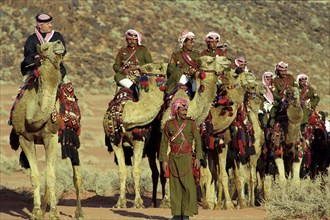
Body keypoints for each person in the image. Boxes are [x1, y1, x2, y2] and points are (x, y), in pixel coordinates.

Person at [159, 98, 203, 220]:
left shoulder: (191, 124)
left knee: (189, 186)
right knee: (175, 186)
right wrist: (163, 160)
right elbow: (163, 143)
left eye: (186, 109)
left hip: (187, 159)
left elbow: (198, 141)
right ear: (176, 109)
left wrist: (198, 157)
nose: (185, 111)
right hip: (173, 159)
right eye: (182, 109)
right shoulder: (168, 125)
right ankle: (177, 213)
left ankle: (187, 213)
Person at [21, 13, 67, 79]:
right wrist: (36, 56)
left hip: (54, 66)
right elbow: (28, 52)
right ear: (40, 25)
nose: (50, 25)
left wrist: (52, 56)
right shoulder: (32, 39)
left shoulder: (57, 36)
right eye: (47, 24)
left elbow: (63, 50)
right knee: (27, 75)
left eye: (51, 23)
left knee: (65, 82)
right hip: (37, 66)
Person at [113, 29, 153, 101]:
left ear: (137, 40)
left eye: (134, 39)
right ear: (126, 40)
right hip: (127, 75)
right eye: (129, 39)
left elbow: (150, 64)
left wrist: (137, 67)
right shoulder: (122, 50)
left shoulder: (143, 50)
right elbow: (116, 65)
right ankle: (133, 88)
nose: (132, 41)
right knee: (117, 76)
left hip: (140, 73)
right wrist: (123, 70)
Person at [166, 30, 200, 99]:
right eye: (190, 42)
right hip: (181, 78)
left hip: (194, 77)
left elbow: (201, 67)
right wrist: (182, 70)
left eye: (193, 42)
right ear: (184, 43)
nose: (192, 44)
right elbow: (170, 69)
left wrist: (194, 71)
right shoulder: (176, 54)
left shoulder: (197, 54)